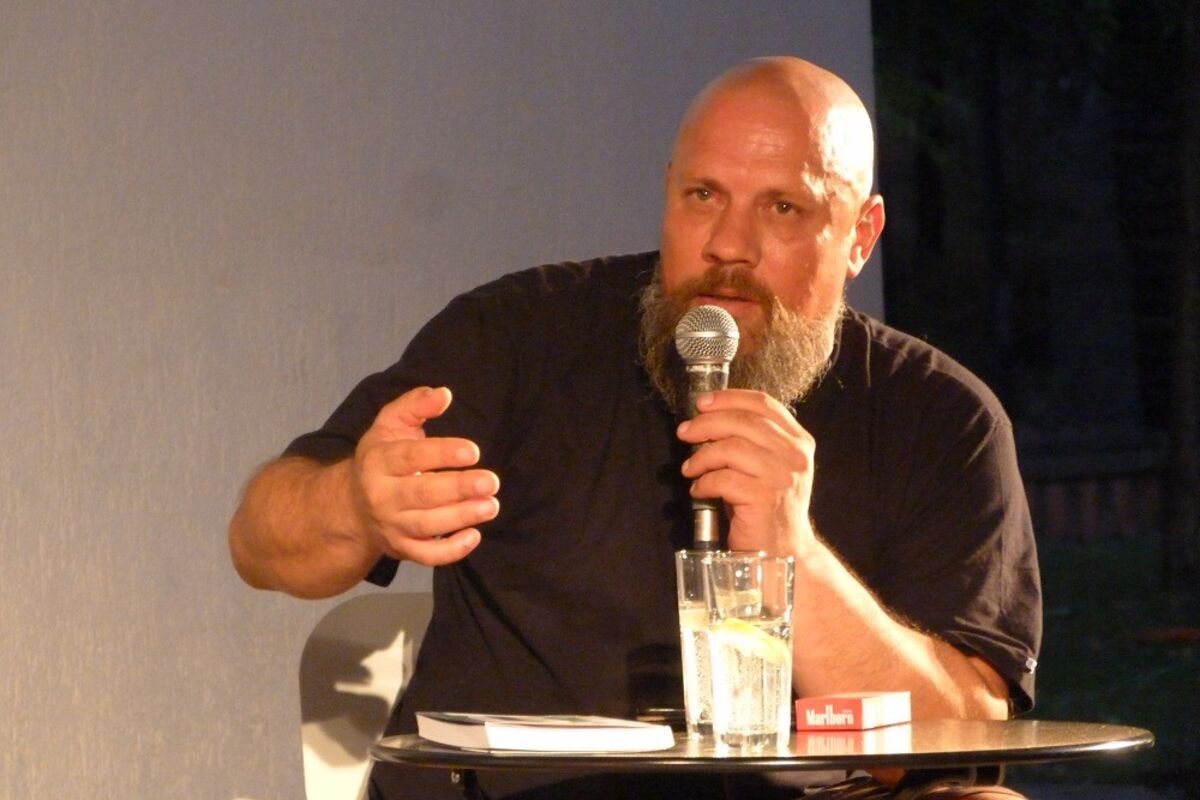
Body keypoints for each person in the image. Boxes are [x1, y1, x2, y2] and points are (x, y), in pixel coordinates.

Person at [229, 57, 1041, 799]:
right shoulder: (516, 337)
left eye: (783, 207)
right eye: (703, 196)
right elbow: (260, 541)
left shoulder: (940, 417)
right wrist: (355, 504)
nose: (728, 245)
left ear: (860, 235)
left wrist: (795, 556)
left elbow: (965, 739)